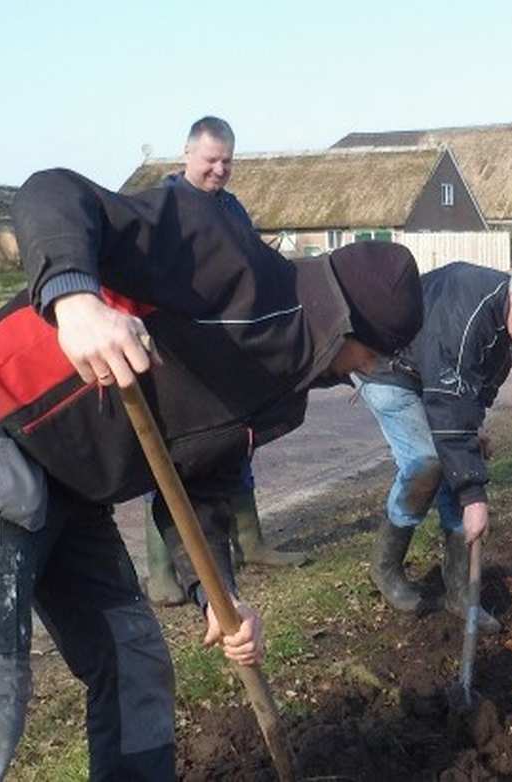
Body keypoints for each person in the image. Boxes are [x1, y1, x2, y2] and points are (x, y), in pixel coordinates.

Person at [0, 167, 423, 781]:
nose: (370, 373)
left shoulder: (283, 393)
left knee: (136, 662)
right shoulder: (221, 254)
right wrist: (75, 299)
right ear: (352, 330)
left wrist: (218, 598)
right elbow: (53, 193)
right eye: (377, 357)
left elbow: (203, 487)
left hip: (71, 483)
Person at [358, 260, 512, 633]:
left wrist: (470, 431)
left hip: (431, 378)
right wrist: (473, 496)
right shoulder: (466, 313)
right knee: (428, 463)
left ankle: (460, 593)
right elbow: (446, 401)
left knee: (458, 458)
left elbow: (476, 389)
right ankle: (385, 568)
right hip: (387, 369)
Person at [143, 116, 307, 610]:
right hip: (176, 349)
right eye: (211, 160)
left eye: (227, 162)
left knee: (235, 444)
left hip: (228, 345)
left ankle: (250, 542)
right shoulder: (163, 205)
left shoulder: (232, 208)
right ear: (187, 155)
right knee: (177, 460)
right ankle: (159, 572)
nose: (219, 170)